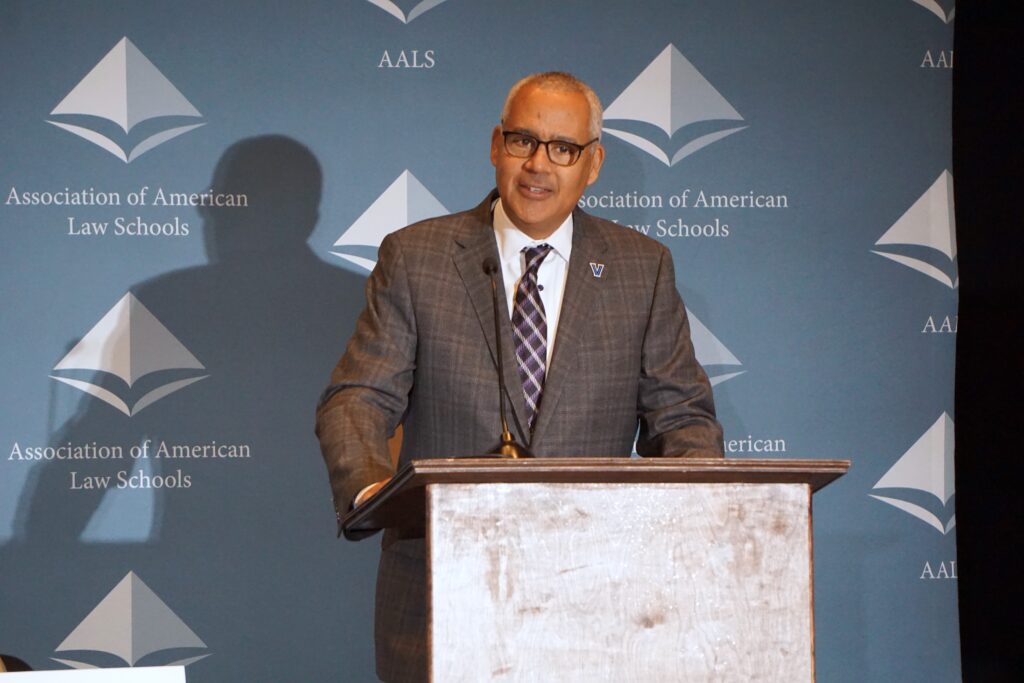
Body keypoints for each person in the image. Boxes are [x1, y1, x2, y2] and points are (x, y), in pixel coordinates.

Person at [316, 71, 724, 682]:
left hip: (599, 593)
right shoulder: (416, 258)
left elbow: (682, 417)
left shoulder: (644, 269)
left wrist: (698, 516)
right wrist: (371, 486)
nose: (539, 164)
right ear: (494, 145)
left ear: (593, 164)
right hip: (439, 586)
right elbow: (357, 397)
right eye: (522, 141)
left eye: (563, 148)